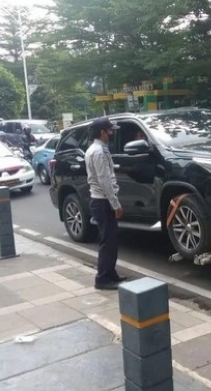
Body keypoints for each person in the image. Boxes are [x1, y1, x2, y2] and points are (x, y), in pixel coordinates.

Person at [85, 117, 127, 290]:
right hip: (102, 202)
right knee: (107, 241)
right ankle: (102, 279)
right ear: (102, 132)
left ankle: (111, 274)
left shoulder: (98, 149)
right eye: (110, 130)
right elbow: (104, 181)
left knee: (111, 240)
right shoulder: (98, 152)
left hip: (101, 200)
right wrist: (115, 204)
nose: (112, 133)